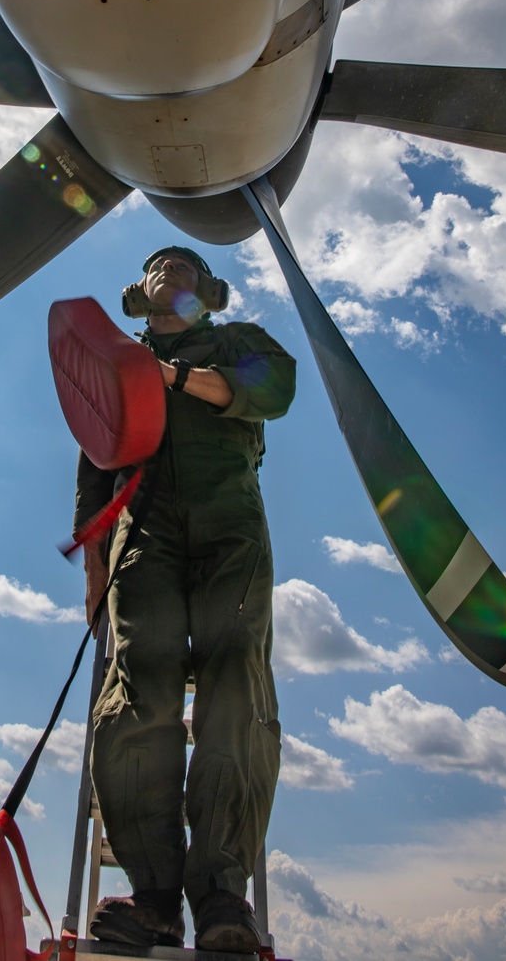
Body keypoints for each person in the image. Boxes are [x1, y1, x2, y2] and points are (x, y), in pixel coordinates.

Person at [74, 246, 296, 954]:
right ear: (139, 290)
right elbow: (96, 460)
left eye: (189, 264)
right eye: (161, 262)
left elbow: (276, 389)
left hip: (230, 525)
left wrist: (170, 375)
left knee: (236, 691)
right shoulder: (116, 361)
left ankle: (223, 895)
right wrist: (94, 566)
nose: (174, 265)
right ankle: (155, 897)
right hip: (148, 534)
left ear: (209, 292)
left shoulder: (238, 342)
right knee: (141, 692)